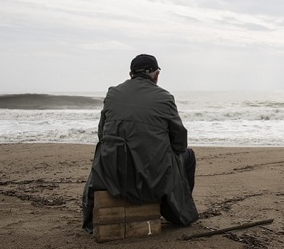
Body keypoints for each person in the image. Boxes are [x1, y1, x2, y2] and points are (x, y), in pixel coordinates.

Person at [82, 54, 198, 233]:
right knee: (188, 156)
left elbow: (102, 134)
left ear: (131, 74)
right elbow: (180, 142)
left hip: (111, 175)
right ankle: (175, 211)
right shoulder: (165, 97)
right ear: (156, 74)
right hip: (152, 177)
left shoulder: (112, 93)